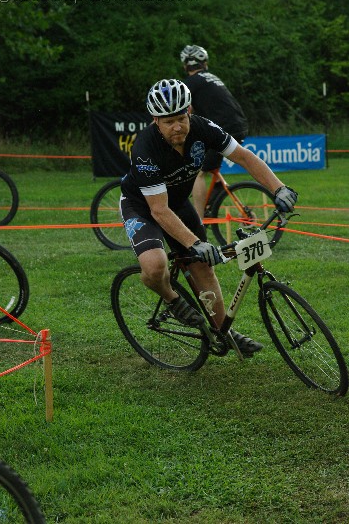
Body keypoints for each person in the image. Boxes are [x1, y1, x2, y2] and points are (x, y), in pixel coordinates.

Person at [120, 79, 297, 357]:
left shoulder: (203, 128)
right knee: (155, 266)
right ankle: (171, 299)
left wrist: (278, 187)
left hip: (176, 203)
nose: (177, 127)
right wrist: (194, 242)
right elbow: (158, 211)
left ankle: (223, 332)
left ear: (189, 111)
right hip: (142, 206)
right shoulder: (144, 148)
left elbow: (244, 157)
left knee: (203, 267)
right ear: (155, 120)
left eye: (181, 118)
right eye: (168, 122)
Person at [180, 44, 249, 218]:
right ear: (204, 63)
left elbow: (184, 112)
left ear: (185, 65)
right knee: (209, 165)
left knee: (197, 172)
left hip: (224, 128)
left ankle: (198, 220)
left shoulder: (189, 83)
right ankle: (216, 194)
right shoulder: (211, 78)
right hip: (238, 125)